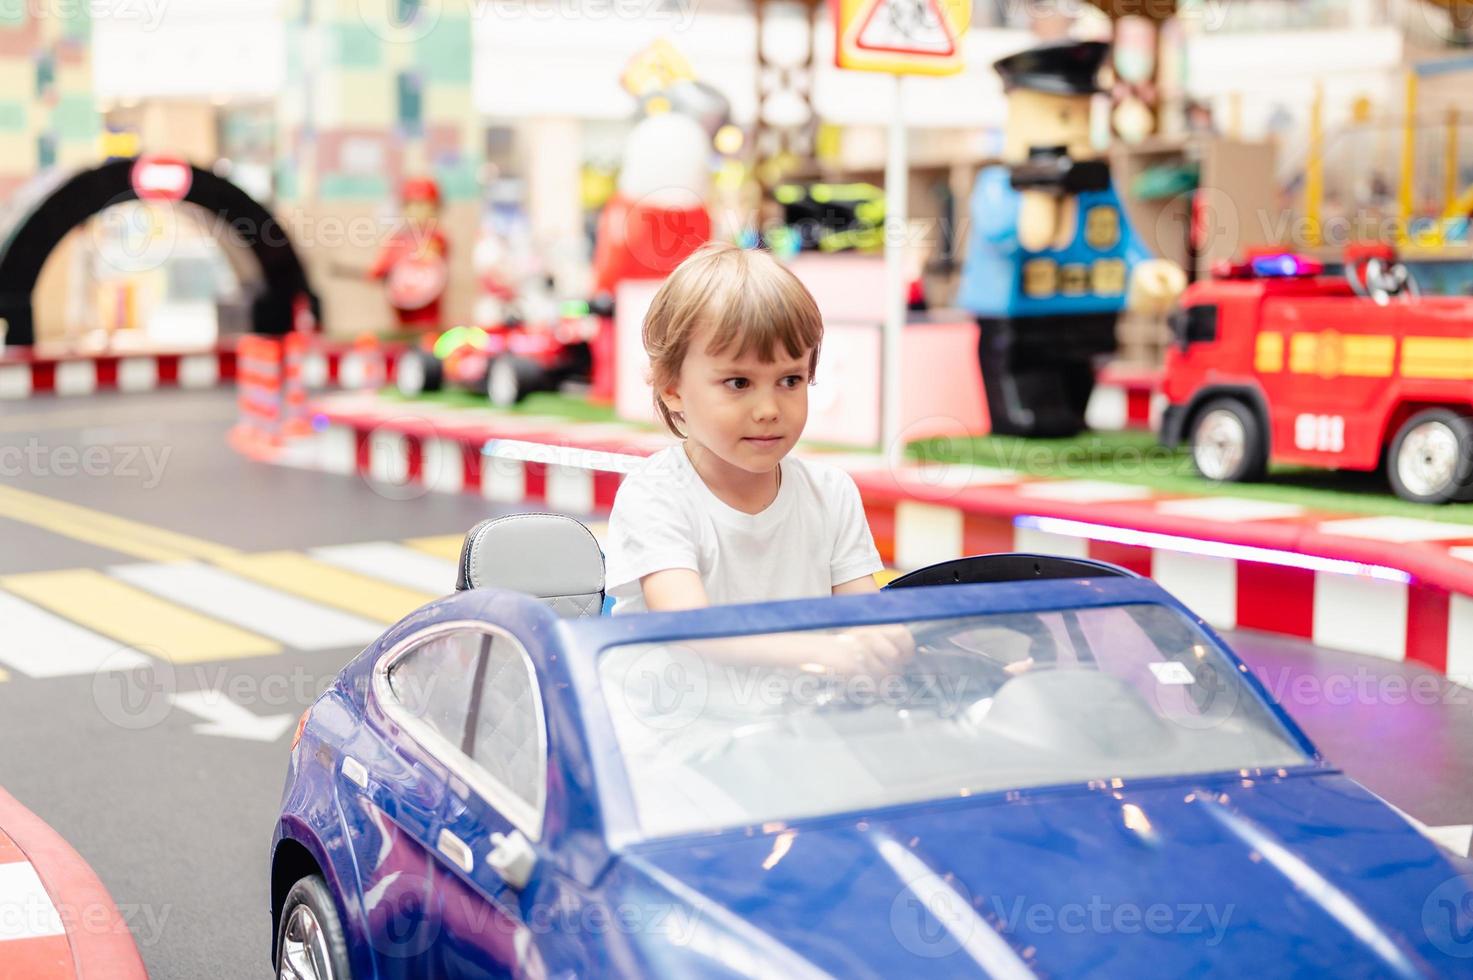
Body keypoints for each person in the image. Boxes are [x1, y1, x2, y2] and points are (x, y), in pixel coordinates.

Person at [603, 242, 910, 675]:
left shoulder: (831, 494)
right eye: (739, 382)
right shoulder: (656, 494)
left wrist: (893, 642)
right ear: (672, 388)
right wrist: (819, 652)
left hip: (798, 724)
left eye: (790, 379)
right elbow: (690, 628)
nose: (769, 409)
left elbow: (865, 620)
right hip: (672, 733)